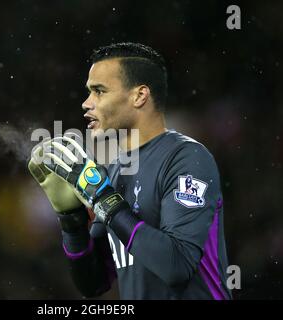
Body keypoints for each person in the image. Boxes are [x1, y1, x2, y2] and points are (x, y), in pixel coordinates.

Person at [28, 42, 232, 300]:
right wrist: (71, 220)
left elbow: (177, 266)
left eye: (99, 91)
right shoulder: (116, 170)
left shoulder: (187, 158)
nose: (86, 103)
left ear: (139, 96)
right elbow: (93, 283)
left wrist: (103, 199)